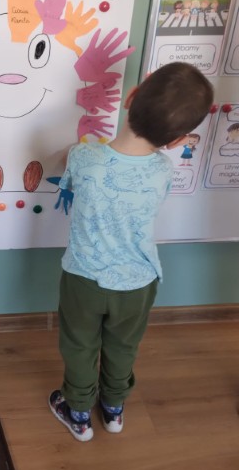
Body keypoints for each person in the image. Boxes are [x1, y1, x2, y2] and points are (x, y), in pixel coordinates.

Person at [49, 62, 214, 442]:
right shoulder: (163, 170)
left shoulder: (83, 157)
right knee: (123, 346)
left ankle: (78, 412)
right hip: (138, 283)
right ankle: (113, 408)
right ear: (177, 141)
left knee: (79, 345)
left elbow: (69, 178)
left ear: (131, 97)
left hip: (84, 278)